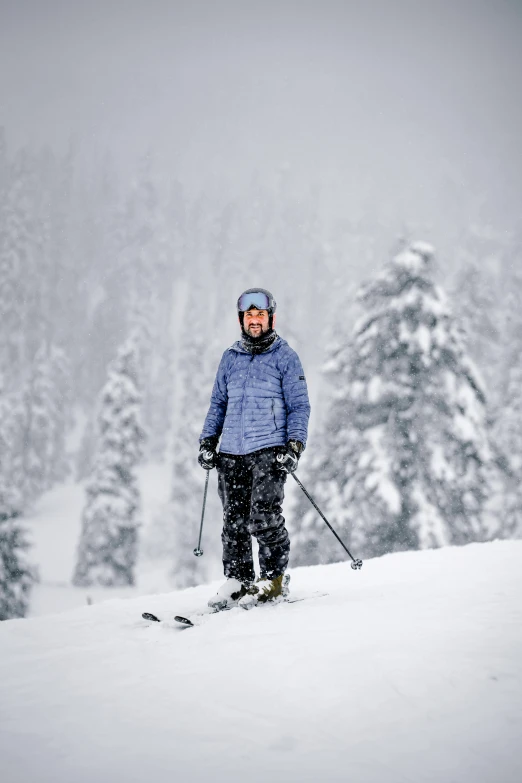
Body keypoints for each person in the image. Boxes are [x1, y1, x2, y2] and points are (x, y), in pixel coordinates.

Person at [198, 288, 311, 609]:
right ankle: (239, 580)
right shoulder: (230, 358)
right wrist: (208, 441)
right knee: (233, 520)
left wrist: (295, 445)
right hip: (231, 453)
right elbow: (218, 403)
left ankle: (274, 580)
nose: (254, 320)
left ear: (270, 318)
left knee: (263, 516)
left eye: (260, 315)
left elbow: (299, 405)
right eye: (249, 316)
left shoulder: (285, 357)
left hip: (269, 450)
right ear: (242, 320)